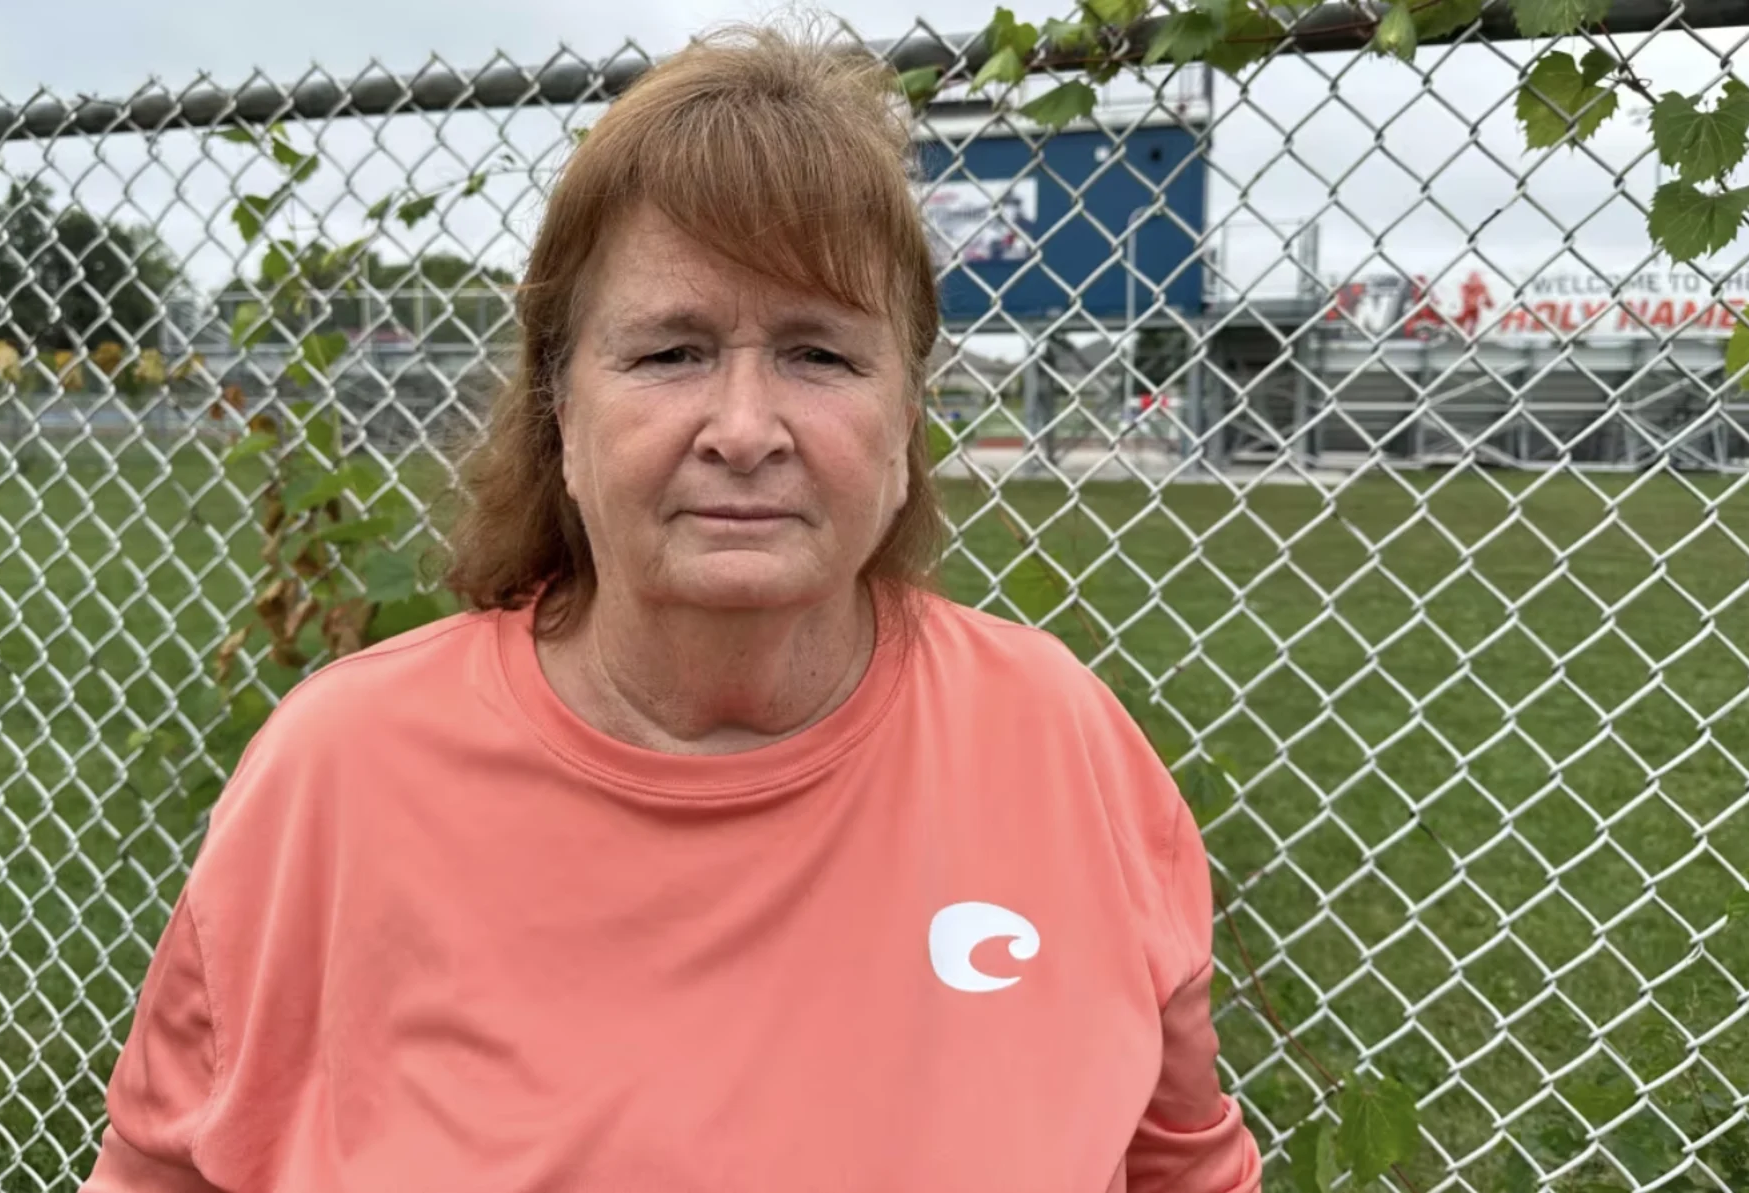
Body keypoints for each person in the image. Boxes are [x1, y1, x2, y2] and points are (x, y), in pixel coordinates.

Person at [81, 21, 1262, 1193]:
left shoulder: (1062, 742)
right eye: (669, 353)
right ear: (560, 412)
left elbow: (1183, 1162)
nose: (744, 430)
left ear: (908, 415)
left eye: (821, 354)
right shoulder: (342, 773)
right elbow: (160, 1170)